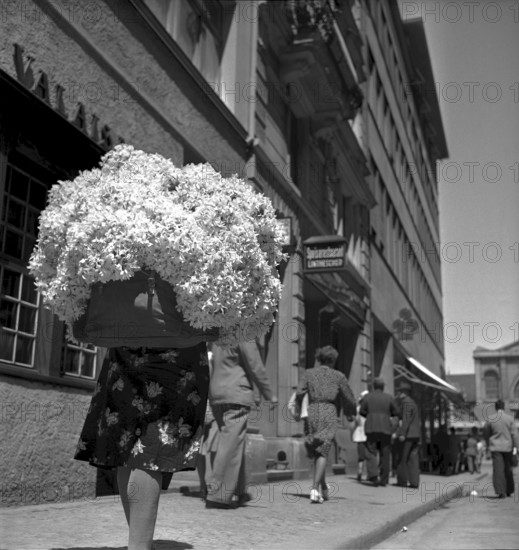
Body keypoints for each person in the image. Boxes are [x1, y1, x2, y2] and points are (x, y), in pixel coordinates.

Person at [75, 344, 209, 550]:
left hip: (126, 340)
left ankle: (139, 541)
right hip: (172, 344)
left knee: (127, 446)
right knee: (149, 448)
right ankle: (139, 545)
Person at [204, 340, 277, 509]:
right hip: (236, 393)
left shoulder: (219, 336)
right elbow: (255, 366)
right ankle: (218, 495)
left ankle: (240, 489)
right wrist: (269, 394)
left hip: (217, 393)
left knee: (234, 441)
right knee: (230, 444)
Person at [296, 345, 356, 503]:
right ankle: (315, 489)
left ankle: (323, 487)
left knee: (317, 449)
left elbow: (299, 392)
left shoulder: (309, 373)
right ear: (333, 360)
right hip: (329, 411)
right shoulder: (338, 376)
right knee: (323, 451)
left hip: (313, 410)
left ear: (319, 359)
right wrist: (351, 412)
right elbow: (349, 397)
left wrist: (297, 409)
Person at [359, 377, 400, 487]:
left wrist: (369, 414)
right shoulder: (389, 398)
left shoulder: (368, 397)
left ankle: (373, 475)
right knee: (385, 454)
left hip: (371, 427)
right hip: (385, 428)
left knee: (370, 451)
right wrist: (388, 416)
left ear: (374, 386)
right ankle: (384, 479)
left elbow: (361, 411)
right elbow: (397, 412)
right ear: (383, 387)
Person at [483, 399, 519, 498]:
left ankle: (500, 491)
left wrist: (487, 443)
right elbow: (515, 435)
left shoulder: (490, 419)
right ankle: (509, 490)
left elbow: (485, 432)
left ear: (495, 407)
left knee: (498, 470)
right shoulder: (510, 418)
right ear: (504, 407)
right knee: (508, 469)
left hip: (496, 448)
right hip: (508, 447)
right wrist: (517, 447)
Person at [395, 381, 421, 488]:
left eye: (400, 391)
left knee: (402, 458)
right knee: (413, 459)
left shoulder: (406, 402)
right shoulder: (412, 402)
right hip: (415, 435)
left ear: (404, 392)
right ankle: (414, 482)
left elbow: (406, 419)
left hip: (408, 435)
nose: (398, 393)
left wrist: (402, 433)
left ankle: (402, 481)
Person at [351, 390, 369, 482]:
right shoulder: (367, 409)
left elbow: (356, 421)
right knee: (368, 454)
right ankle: (362, 472)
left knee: (361, 455)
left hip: (360, 434)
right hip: (366, 433)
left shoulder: (358, 409)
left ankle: (360, 471)